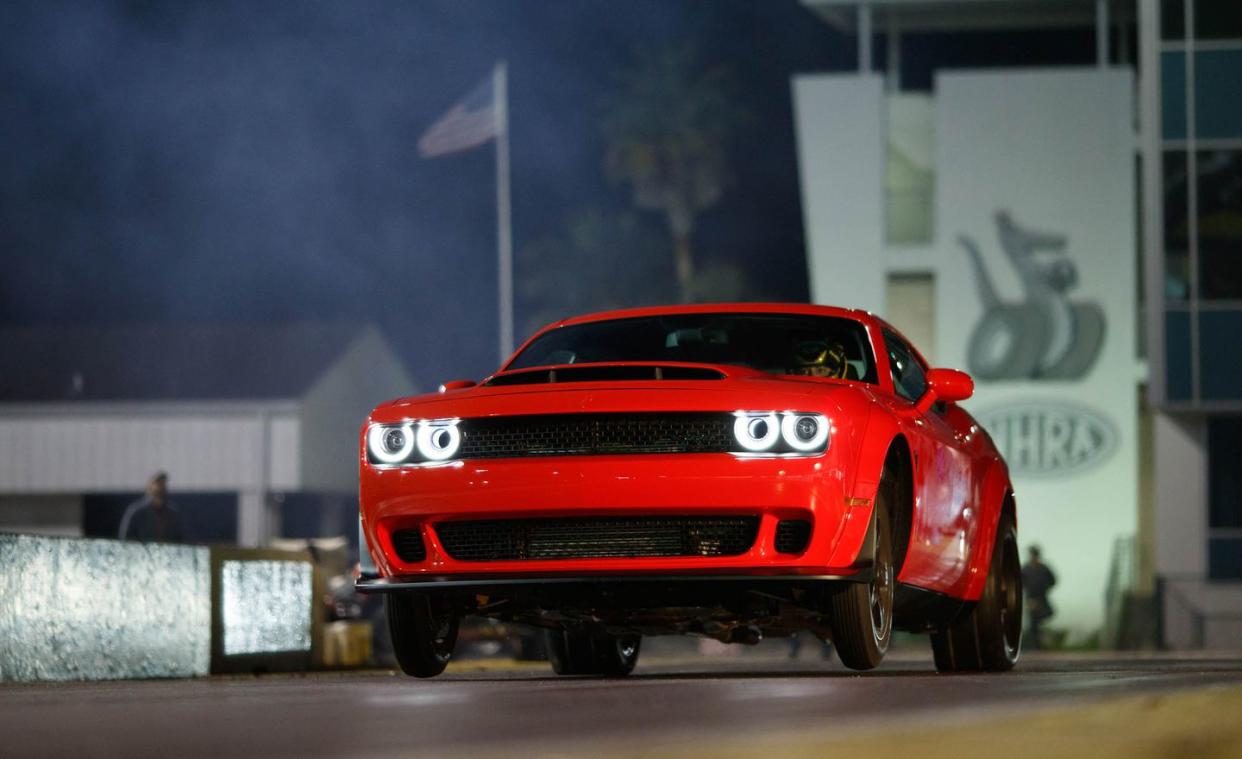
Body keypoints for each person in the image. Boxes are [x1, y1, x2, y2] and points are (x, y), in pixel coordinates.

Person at [118, 471, 185, 543]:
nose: (160, 488)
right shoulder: (136, 511)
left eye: (163, 484)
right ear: (150, 487)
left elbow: (180, 538)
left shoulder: (173, 513)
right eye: (157, 483)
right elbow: (125, 538)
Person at [1021, 544, 1057, 650]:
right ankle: (1036, 646)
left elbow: (1053, 580)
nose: (1033, 557)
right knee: (1033, 624)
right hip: (1031, 599)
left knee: (1048, 613)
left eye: (1035, 555)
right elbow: (1020, 582)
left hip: (1042, 598)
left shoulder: (1044, 568)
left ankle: (1042, 636)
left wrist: (1046, 588)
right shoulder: (1026, 569)